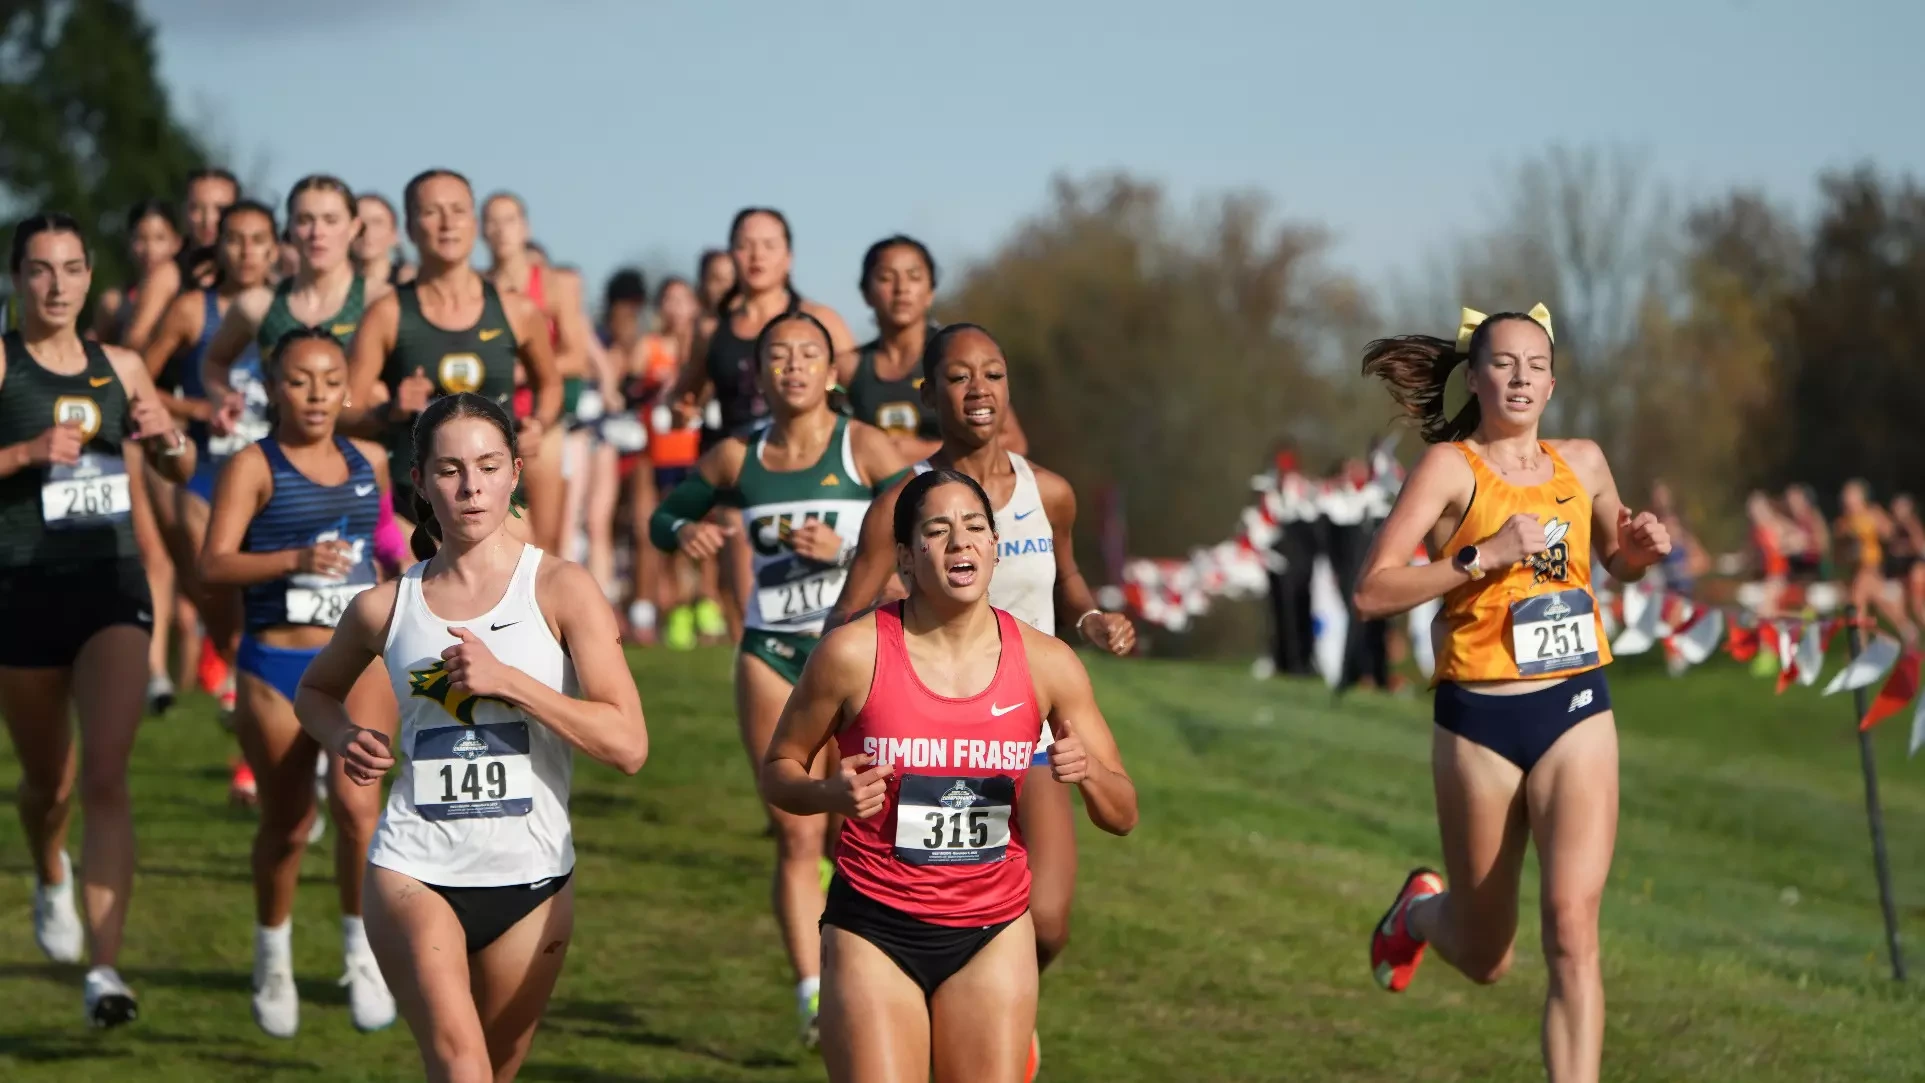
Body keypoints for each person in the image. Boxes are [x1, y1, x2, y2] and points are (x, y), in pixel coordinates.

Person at [1352, 306, 1671, 1083]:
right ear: (1474, 377)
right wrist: (1477, 558)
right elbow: (1371, 591)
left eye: (1535, 365)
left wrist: (1635, 552)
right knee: (1485, 956)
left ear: (1552, 383)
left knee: (1571, 929)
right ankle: (1418, 912)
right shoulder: (1448, 469)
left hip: (1574, 709)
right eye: (1503, 363)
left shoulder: (1583, 462)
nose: (1521, 377)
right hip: (1479, 722)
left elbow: (1616, 557)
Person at [294, 391, 646, 1081]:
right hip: (414, 868)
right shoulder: (384, 606)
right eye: (450, 470)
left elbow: (628, 744)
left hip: (533, 878)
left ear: (515, 471)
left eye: (487, 466)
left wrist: (509, 681)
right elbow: (315, 692)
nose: (471, 486)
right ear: (420, 481)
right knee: (462, 1066)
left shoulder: (561, 588)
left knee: (496, 1069)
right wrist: (342, 735)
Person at [825, 321, 1133, 1075]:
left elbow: (1067, 579)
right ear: (930, 394)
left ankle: (998, 1007)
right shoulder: (901, 501)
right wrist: (896, 615)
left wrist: (1091, 619)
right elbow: (846, 617)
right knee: (929, 897)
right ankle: (924, 1007)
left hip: (1027, 721)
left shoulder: (1048, 491)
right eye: (959, 377)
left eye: (992, 373)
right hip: (926, 723)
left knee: (1047, 919)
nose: (978, 390)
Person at [761, 467, 1137, 1083]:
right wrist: (828, 792)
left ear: (995, 546)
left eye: (974, 527)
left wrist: (1089, 771)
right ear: (907, 558)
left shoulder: (1048, 663)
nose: (960, 541)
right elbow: (778, 771)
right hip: (873, 926)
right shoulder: (852, 653)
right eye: (937, 530)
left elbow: (1123, 813)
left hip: (993, 933)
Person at [650, 310, 908, 1045]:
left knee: (857, 829)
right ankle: (812, 994)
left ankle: (868, 967)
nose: (793, 366)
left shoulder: (863, 446)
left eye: (807, 355)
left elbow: (920, 528)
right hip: (772, 654)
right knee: (796, 837)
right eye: (778, 356)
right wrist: (688, 530)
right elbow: (664, 518)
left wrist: (846, 551)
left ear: (830, 372)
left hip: (857, 657)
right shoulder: (738, 457)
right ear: (759, 374)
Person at [2, 212, 198, 1026]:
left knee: (107, 775)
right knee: (49, 783)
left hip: (111, 586)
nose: (57, 285)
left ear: (89, 277)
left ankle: (105, 971)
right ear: (18, 278)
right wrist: (22, 454)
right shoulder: (4, 362)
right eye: (41, 269)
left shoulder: (121, 365)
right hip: (19, 590)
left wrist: (169, 437)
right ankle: (50, 867)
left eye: (71, 268)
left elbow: (178, 462)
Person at [198, 328, 398, 1037]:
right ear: (274, 387)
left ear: (347, 389)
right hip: (276, 667)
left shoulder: (370, 460)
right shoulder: (253, 465)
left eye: (330, 381)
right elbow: (213, 563)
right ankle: (273, 957)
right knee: (286, 826)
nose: (316, 395)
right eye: (300, 380)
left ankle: (363, 954)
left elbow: (387, 544)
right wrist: (294, 559)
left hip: (357, 663)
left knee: (358, 810)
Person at [142, 198, 280, 785]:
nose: (247, 251)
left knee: (266, 623)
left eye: (258, 240)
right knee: (229, 624)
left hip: (275, 479)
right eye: (236, 239)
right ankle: (242, 706)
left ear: (275, 249)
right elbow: (139, 380)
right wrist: (199, 408)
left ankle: (257, 756)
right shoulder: (190, 309)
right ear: (217, 246)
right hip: (208, 475)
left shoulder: (287, 308)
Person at [346, 169, 560, 540]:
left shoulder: (516, 310)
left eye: (458, 211)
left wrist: (539, 423)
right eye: (432, 212)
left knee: (530, 566)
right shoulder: (387, 313)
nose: (447, 224)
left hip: (500, 501)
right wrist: (389, 410)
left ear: (474, 223)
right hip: (415, 508)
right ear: (410, 228)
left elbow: (551, 384)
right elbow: (344, 410)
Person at [483, 193, 591, 553]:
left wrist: (525, 369)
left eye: (510, 220)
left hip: (541, 421)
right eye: (493, 221)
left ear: (525, 228)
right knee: (491, 532)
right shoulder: (476, 288)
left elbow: (577, 357)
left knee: (546, 537)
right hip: (490, 420)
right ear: (481, 231)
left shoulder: (553, 285)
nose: (502, 230)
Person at [1836, 479, 1915, 643]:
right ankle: (1905, 628)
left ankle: (1861, 645)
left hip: (1874, 568)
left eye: (1851, 494)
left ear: (1862, 496)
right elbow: (1839, 553)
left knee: (1859, 598)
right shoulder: (1843, 522)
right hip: (1856, 571)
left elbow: (1891, 534)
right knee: (1865, 598)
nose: (1847, 498)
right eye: (1846, 495)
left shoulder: (1873, 514)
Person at [354, 193, 416, 294]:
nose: (367, 231)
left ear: (395, 234)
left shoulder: (412, 285)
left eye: (377, 222)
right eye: (359, 224)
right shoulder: (334, 287)